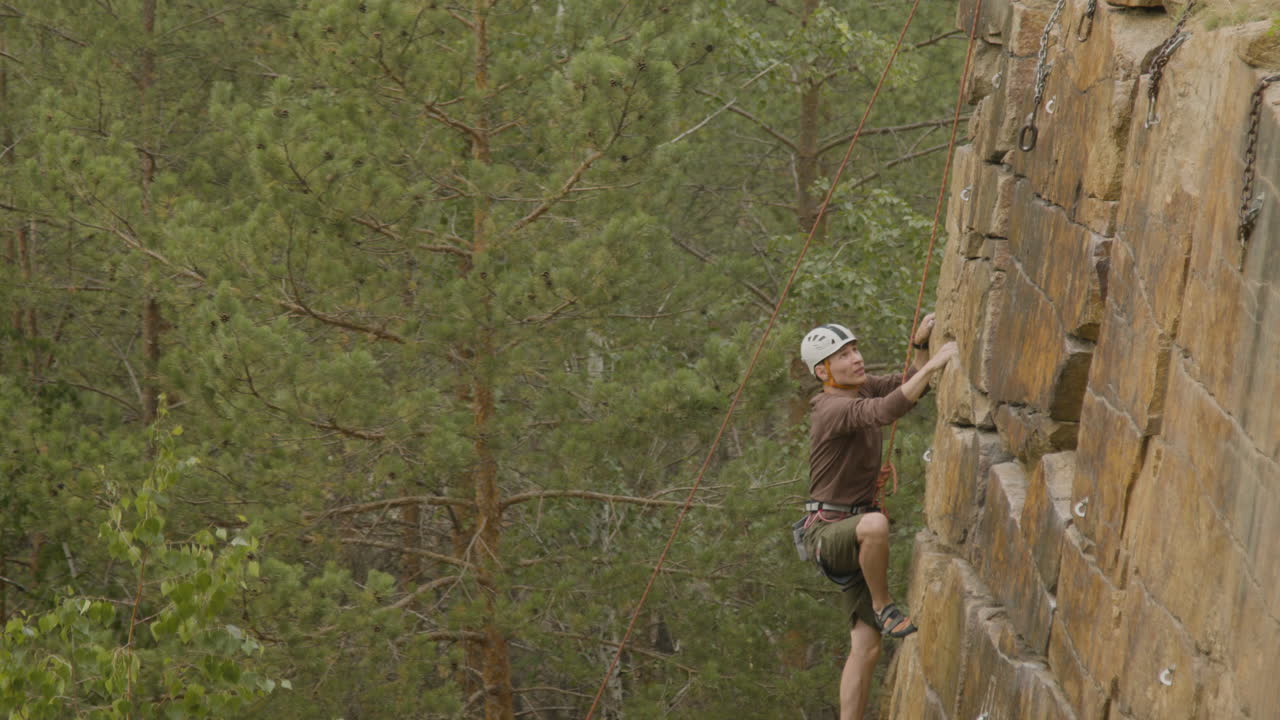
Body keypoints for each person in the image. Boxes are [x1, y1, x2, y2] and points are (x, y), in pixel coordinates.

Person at [798, 315, 957, 720]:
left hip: (849, 532)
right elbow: (887, 410)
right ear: (823, 372)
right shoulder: (831, 408)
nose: (856, 359)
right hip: (830, 533)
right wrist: (939, 362)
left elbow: (908, 383)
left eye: (854, 350)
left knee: (866, 647)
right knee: (875, 525)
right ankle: (885, 606)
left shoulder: (858, 387)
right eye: (844, 355)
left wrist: (922, 348)